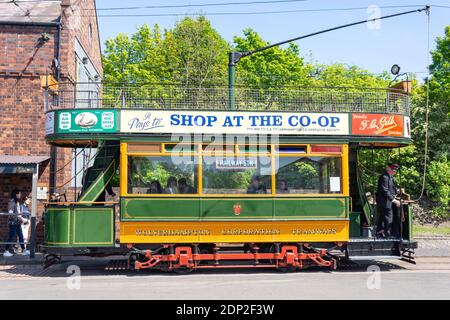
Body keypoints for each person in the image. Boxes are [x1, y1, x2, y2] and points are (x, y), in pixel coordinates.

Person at [375, 163, 401, 239]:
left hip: (387, 201)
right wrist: (394, 200)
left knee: (383, 218)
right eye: (393, 170)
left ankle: (380, 234)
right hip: (384, 201)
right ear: (389, 169)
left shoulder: (390, 177)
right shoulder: (384, 177)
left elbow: (392, 187)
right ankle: (388, 235)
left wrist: (397, 192)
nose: (395, 172)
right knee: (388, 218)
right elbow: (385, 190)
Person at [3, 190, 29, 257]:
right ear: (16, 194)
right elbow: (11, 213)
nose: (20, 195)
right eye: (19, 193)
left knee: (21, 236)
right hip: (13, 222)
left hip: (17, 222)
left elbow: (17, 214)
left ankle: (24, 250)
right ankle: (6, 251)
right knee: (11, 236)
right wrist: (20, 218)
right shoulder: (12, 202)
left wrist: (20, 219)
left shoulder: (16, 202)